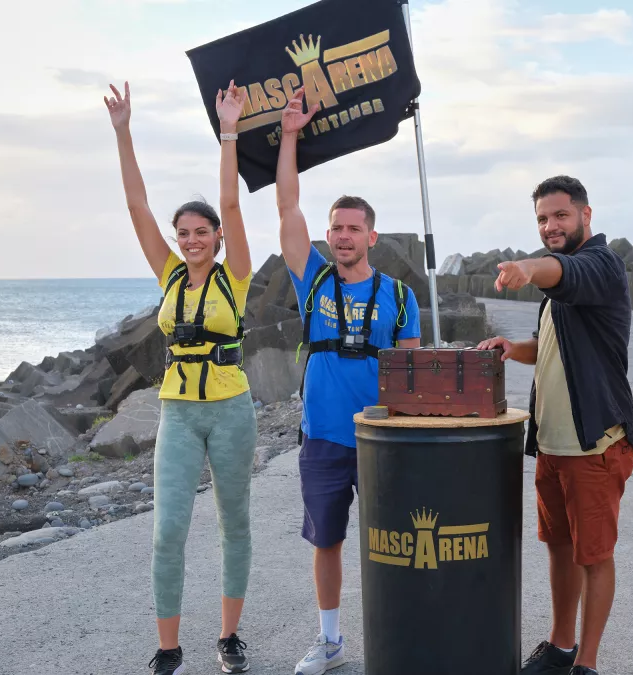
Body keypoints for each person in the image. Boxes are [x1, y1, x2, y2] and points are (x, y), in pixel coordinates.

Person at [106, 80, 259, 675]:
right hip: (178, 410)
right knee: (167, 530)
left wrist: (229, 131)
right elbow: (136, 206)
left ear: (217, 237)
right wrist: (123, 132)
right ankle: (169, 647)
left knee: (234, 523)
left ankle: (228, 638)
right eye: (185, 233)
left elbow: (234, 199)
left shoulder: (236, 275)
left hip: (231, 409)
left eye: (202, 232)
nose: (192, 240)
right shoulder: (169, 274)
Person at [275, 88, 422, 675]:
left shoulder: (399, 295)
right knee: (327, 541)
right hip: (325, 438)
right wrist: (290, 135)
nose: (341, 236)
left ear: (371, 237)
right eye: (335, 227)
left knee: (397, 542)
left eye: (353, 228)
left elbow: (413, 376)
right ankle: (331, 640)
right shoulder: (310, 279)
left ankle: (404, 635)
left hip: (383, 440)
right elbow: (288, 209)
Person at [477, 176, 633, 675]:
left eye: (560, 215)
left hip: (594, 444)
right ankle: (560, 645)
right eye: (543, 218)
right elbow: (547, 345)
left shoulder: (601, 265)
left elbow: (561, 271)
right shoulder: (560, 284)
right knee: (561, 548)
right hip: (553, 446)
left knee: (594, 556)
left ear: (586, 215)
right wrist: (510, 348)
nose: (551, 226)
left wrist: (527, 266)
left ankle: (585, 665)